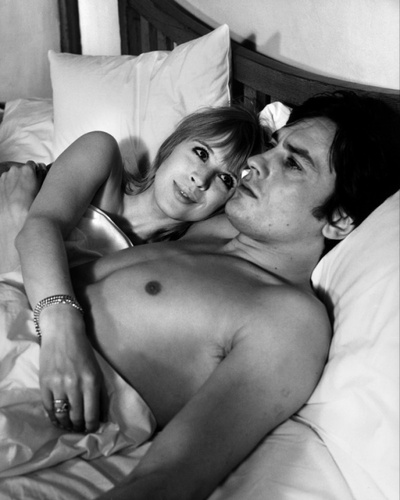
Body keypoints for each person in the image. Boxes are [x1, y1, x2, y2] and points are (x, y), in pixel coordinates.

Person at [60, 91, 397, 499]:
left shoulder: (287, 321)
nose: (255, 161)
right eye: (274, 146)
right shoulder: (215, 226)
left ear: (339, 219)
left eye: (292, 163)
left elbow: (168, 478)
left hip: (43, 392)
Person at [0, 104, 263, 433]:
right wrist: (63, 332)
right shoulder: (101, 154)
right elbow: (39, 227)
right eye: (201, 153)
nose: (201, 179)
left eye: (225, 179)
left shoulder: (163, 267)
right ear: (172, 145)